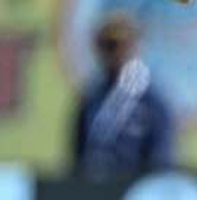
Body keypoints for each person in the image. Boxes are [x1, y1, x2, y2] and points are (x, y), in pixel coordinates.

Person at [72, 14, 176, 179]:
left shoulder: (152, 103)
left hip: (135, 193)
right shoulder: (91, 100)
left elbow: (161, 161)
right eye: (108, 46)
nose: (115, 54)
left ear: (134, 47)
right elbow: (78, 156)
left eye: (120, 45)